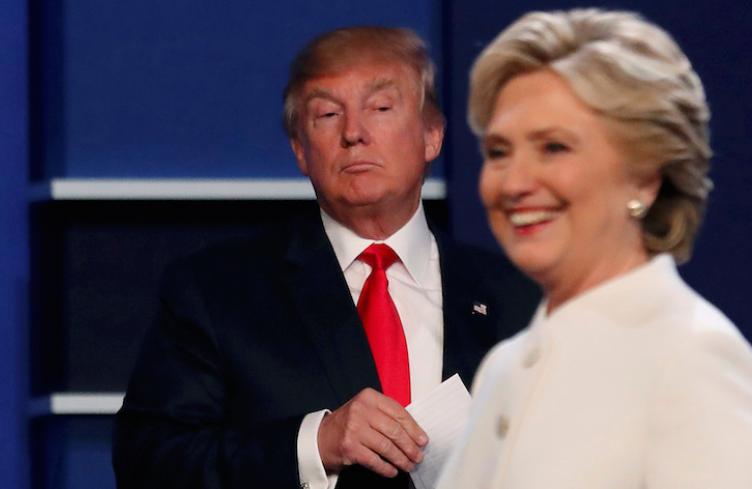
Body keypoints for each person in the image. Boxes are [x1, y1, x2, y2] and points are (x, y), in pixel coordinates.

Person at [112, 26, 539, 489]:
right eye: (328, 114)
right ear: (300, 151)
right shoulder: (216, 292)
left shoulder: (521, 297)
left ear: (432, 135)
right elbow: (148, 462)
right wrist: (314, 444)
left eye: (380, 108)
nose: (354, 133)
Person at [436, 8, 752, 489]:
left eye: (554, 147)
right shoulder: (505, 368)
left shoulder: (692, 357)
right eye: (499, 152)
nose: (514, 182)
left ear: (644, 176)